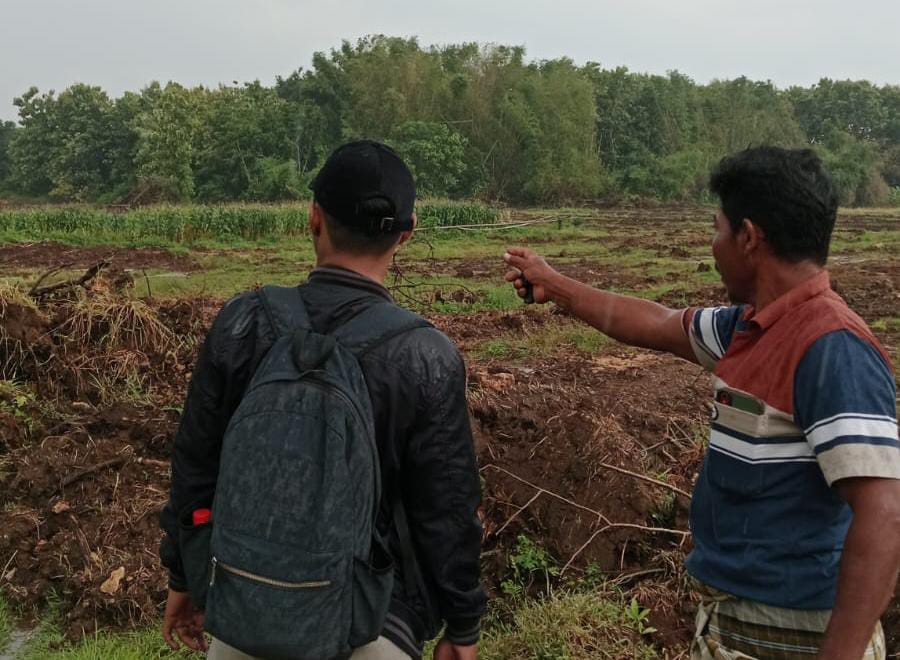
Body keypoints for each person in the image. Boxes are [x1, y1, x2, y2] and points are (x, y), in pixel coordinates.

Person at [504, 146, 900, 659]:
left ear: (749, 237)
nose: (713, 246)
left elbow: (883, 514)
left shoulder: (832, 347)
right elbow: (655, 322)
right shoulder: (747, 328)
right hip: (735, 618)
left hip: (796, 629)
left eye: (717, 229)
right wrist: (552, 283)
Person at [160, 140, 486, 660]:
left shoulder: (243, 323)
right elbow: (446, 510)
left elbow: (196, 465)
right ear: (407, 232)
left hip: (248, 607)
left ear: (313, 219)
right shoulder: (426, 356)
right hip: (374, 622)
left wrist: (186, 576)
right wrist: (463, 625)